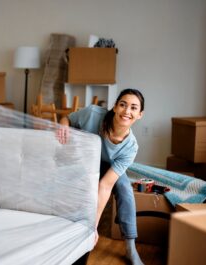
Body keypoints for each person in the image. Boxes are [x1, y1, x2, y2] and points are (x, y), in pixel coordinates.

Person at [57, 89, 145, 265]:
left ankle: (130, 247)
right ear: (115, 106)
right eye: (123, 105)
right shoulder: (92, 114)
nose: (127, 111)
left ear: (139, 115)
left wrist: (93, 226)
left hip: (107, 167)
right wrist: (63, 125)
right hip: (82, 160)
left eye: (133, 108)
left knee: (124, 188)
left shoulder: (131, 147)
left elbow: (105, 186)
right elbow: (68, 118)